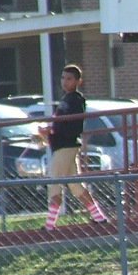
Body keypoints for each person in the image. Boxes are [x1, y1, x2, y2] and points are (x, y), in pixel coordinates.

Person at [42, 64, 108, 230]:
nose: (65, 81)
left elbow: (72, 127)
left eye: (69, 78)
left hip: (66, 146)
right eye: (63, 78)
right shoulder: (66, 100)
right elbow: (61, 126)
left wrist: (51, 133)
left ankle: (50, 225)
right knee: (75, 185)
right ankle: (98, 216)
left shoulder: (76, 100)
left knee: (54, 182)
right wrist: (49, 132)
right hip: (64, 146)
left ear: (78, 81)